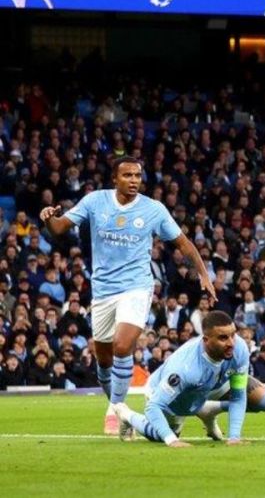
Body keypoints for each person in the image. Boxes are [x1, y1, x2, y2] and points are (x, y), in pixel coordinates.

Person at [40, 156, 216, 435]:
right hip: (102, 291)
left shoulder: (153, 209)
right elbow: (60, 228)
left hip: (136, 287)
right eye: (128, 175)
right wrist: (49, 219)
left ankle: (115, 409)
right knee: (104, 361)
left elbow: (182, 242)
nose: (134, 180)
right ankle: (122, 412)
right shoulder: (95, 201)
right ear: (115, 179)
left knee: (122, 346)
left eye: (137, 175)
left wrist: (204, 274)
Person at [113, 311, 265, 447]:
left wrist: (234, 437)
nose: (231, 343)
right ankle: (126, 414)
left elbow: (238, 395)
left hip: (214, 385)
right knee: (160, 434)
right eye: (223, 338)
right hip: (178, 394)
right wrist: (172, 441)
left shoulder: (239, 349)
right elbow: (153, 406)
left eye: (232, 335)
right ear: (206, 340)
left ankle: (208, 409)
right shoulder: (185, 368)